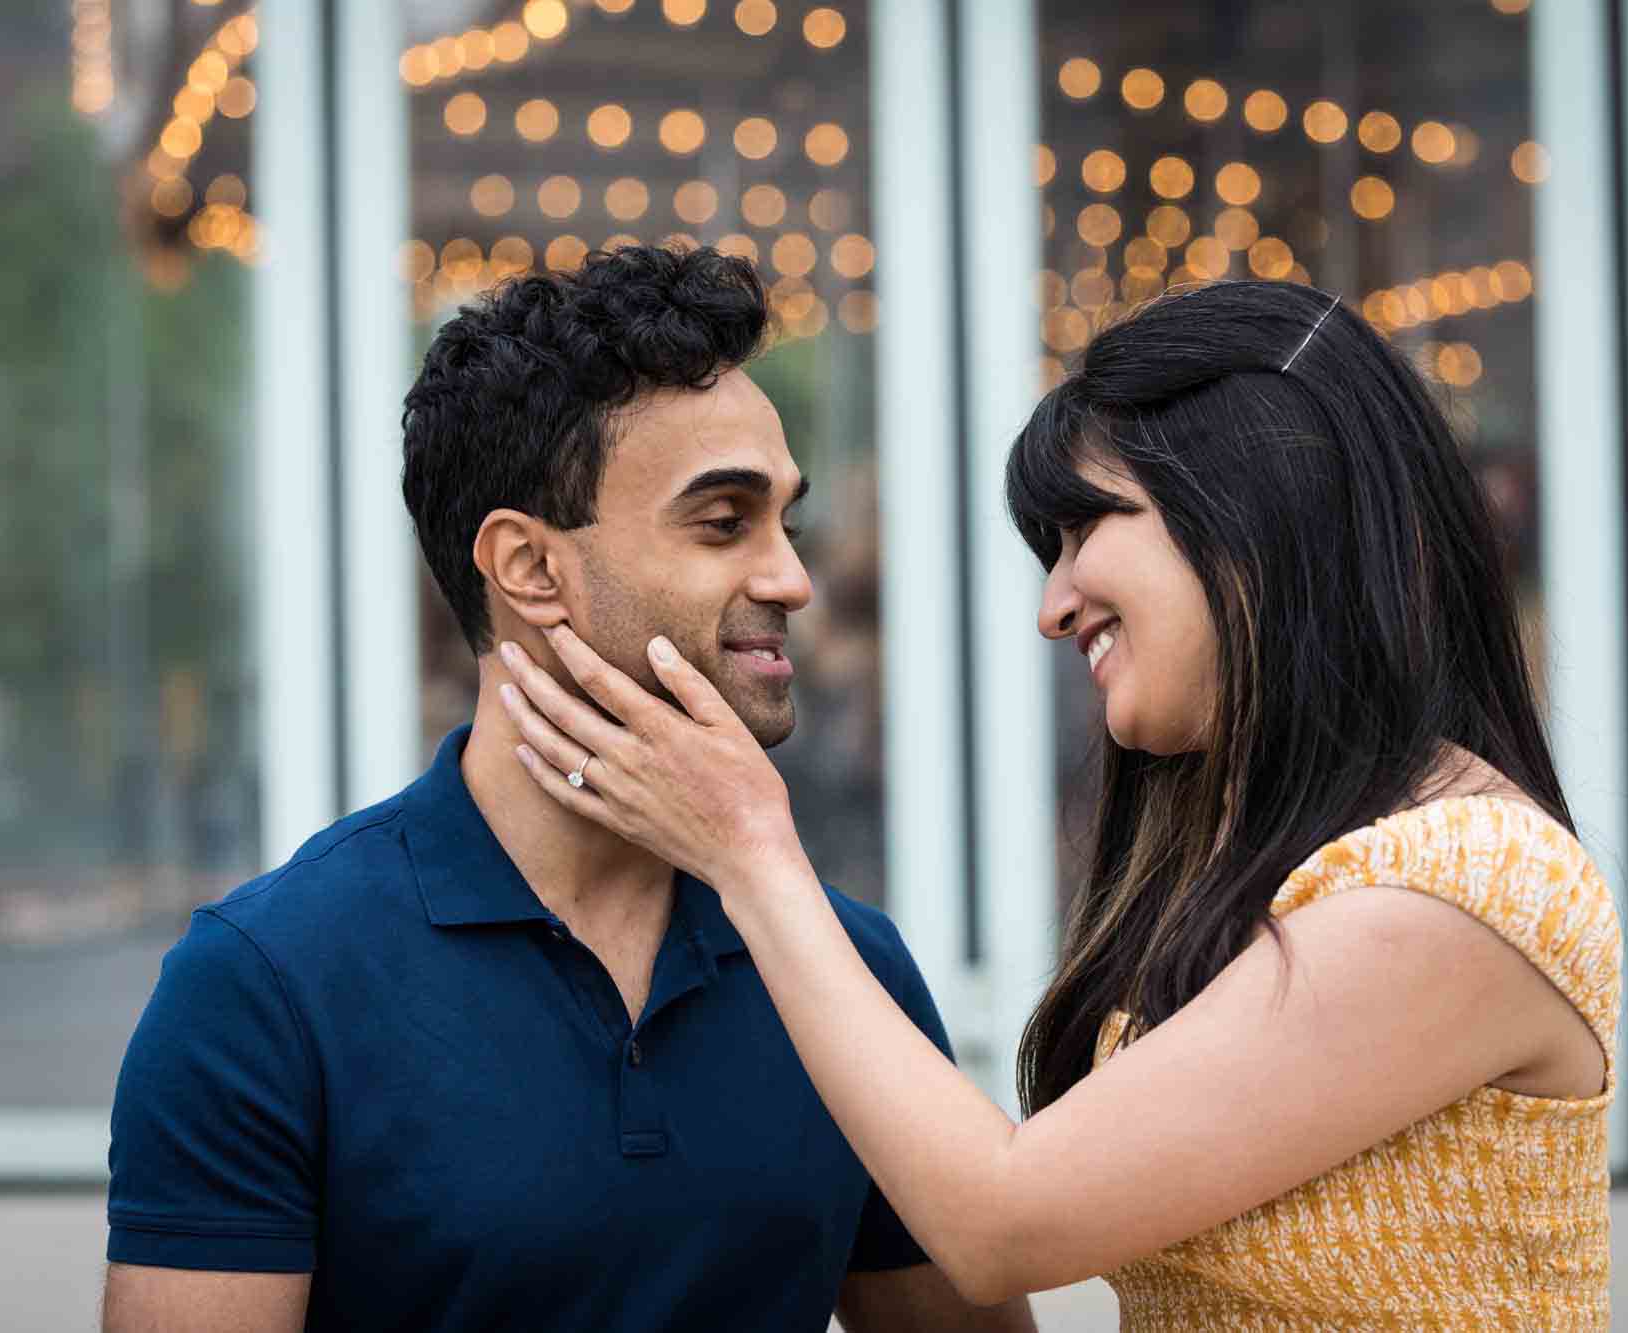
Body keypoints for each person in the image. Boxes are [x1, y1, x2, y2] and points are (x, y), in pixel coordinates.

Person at [498, 281, 1623, 1330]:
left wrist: (751, 851)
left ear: (1259, 513)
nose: (1054, 602)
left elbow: (1000, 1227)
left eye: (1089, 528)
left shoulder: (1463, 885)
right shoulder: (1292, 855)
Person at [101, 245, 1036, 1333]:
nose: (791, 577)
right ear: (529, 569)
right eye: (724, 521)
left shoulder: (844, 963)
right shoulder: (264, 985)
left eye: (787, 518)